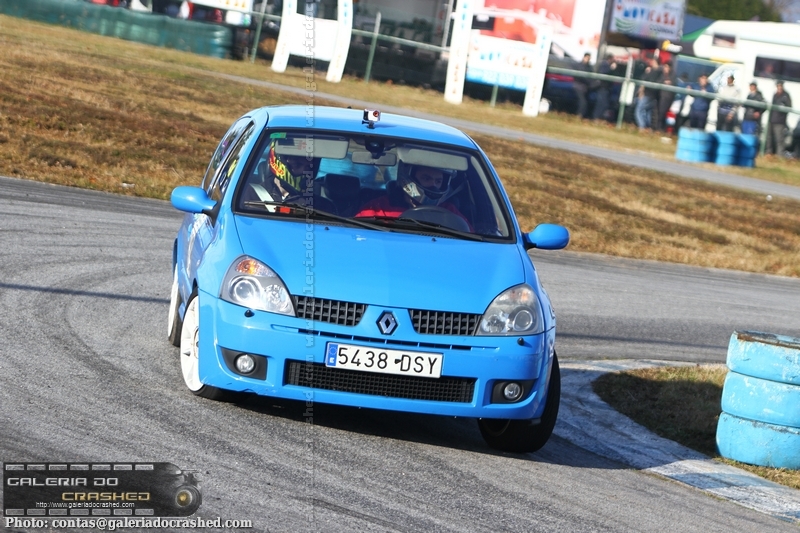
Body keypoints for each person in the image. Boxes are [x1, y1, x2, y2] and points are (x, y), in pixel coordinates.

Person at [355, 165, 471, 229]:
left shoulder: (449, 211)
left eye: (438, 181)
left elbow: (470, 238)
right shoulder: (379, 209)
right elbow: (357, 235)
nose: (434, 186)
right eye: (426, 178)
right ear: (408, 179)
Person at [766, 80, 793, 155]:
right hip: (772, 120)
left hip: (780, 121)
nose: (779, 87)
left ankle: (779, 155)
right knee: (769, 138)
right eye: (778, 86)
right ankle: (768, 153)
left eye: (780, 86)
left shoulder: (786, 96)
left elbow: (789, 107)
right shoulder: (775, 95)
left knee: (779, 139)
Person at [635, 57, 660, 130]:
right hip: (654, 96)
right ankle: (648, 127)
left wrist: (647, 72)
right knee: (648, 112)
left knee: (639, 110)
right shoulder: (660, 72)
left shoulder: (654, 72)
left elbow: (644, 80)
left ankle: (642, 127)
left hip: (648, 94)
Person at [592, 54, 616, 121]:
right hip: (602, 87)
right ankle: (596, 117)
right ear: (609, 59)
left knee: (604, 104)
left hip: (606, 88)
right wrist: (611, 68)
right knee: (601, 103)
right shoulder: (604, 65)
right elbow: (604, 73)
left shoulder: (606, 65)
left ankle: (598, 117)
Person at [655, 62, 675, 132]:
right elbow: (657, 83)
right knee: (658, 113)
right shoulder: (661, 75)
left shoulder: (673, 77)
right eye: (664, 67)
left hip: (667, 98)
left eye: (667, 67)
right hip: (659, 97)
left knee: (662, 113)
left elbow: (674, 85)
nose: (665, 69)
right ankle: (658, 128)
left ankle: (660, 129)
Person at [572, 53, 593, 119]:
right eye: (587, 58)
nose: (588, 60)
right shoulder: (578, 66)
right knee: (583, 102)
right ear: (584, 57)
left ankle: (581, 115)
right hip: (578, 86)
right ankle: (579, 115)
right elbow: (578, 76)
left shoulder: (589, 67)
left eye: (589, 58)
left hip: (585, 88)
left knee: (584, 101)